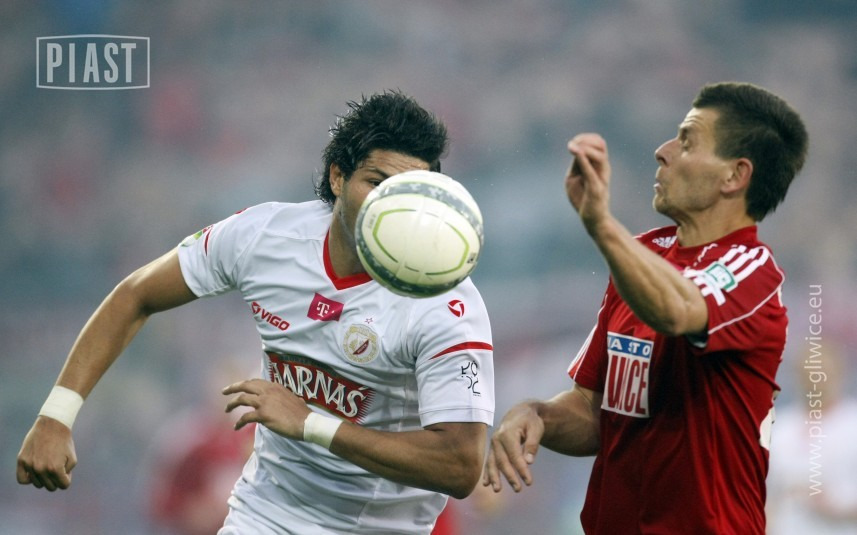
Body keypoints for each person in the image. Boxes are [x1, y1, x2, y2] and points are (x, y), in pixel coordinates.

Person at [17, 90, 495, 535]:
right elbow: (136, 295)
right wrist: (57, 415)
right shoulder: (265, 236)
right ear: (337, 176)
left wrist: (310, 423)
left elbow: (460, 466)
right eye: (376, 183)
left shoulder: (448, 304)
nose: (391, 208)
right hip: (267, 515)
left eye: (409, 192)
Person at [483, 81, 808, 534]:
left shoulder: (752, 271)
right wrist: (537, 414)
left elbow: (677, 310)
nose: (662, 151)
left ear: (735, 176)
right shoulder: (642, 256)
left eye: (687, 141)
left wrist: (601, 224)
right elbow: (596, 412)